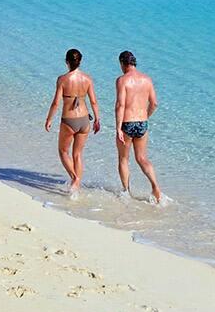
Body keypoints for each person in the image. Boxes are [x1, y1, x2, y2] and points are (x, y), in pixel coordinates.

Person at [43, 47, 100, 201]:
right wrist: (97, 119)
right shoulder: (87, 79)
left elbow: (56, 103)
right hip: (84, 120)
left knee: (63, 151)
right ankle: (76, 188)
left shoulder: (62, 79)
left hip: (68, 120)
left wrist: (49, 119)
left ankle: (74, 178)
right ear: (79, 61)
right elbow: (93, 101)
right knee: (78, 154)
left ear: (67, 62)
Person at [112, 50, 166, 204]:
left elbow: (120, 105)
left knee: (123, 158)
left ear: (123, 63)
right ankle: (155, 187)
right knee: (142, 158)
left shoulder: (122, 80)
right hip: (142, 123)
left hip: (127, 123)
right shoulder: (147, 79)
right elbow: (154, 103)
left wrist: (118, 128)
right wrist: (145, 116)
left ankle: (126, 192)